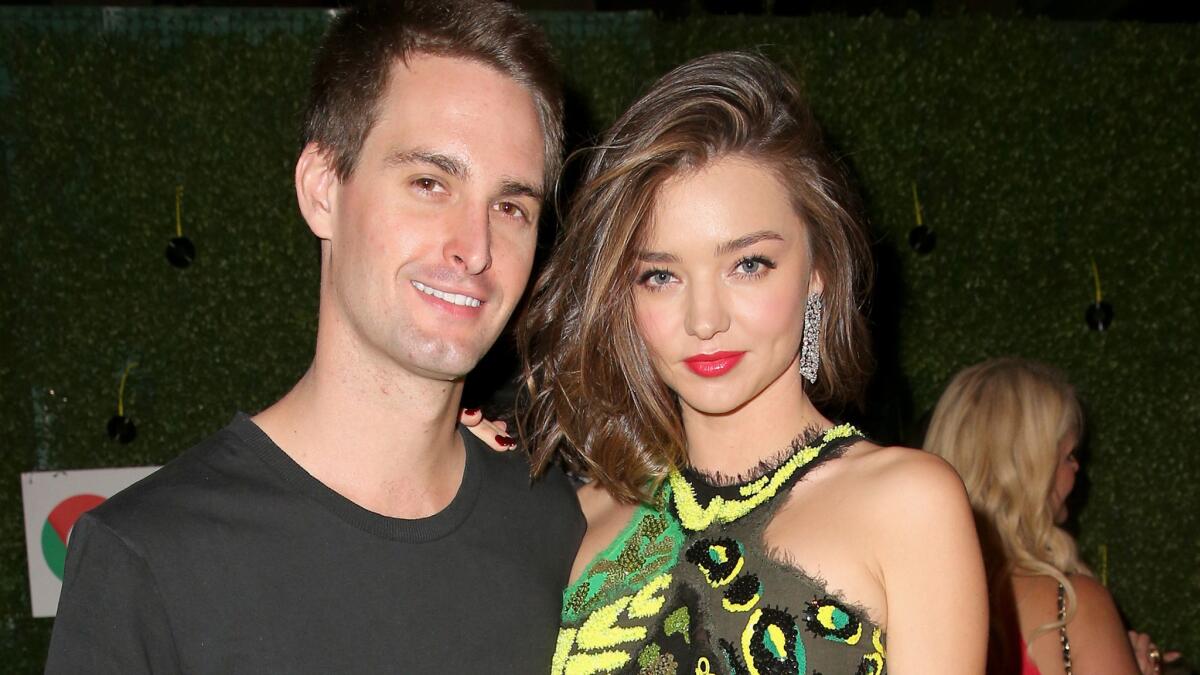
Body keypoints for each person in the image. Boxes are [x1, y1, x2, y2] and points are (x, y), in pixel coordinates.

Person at [45, 2, 583, 672]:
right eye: (428, 182)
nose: (474, 248)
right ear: (322, 190)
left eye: (510, 206)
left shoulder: (554, 520)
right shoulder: (149, 558)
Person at [518, 51, 988, 674]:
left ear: (818, 273)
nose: (705, 319)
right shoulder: (581, 522)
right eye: (660, 275)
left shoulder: (908, 505)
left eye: (747, 265)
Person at [924, 357, 1179, 675]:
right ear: (1030, 469)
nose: (1076, 469)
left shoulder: (905, 596)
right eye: (1068, 455)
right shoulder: (1071, 607)